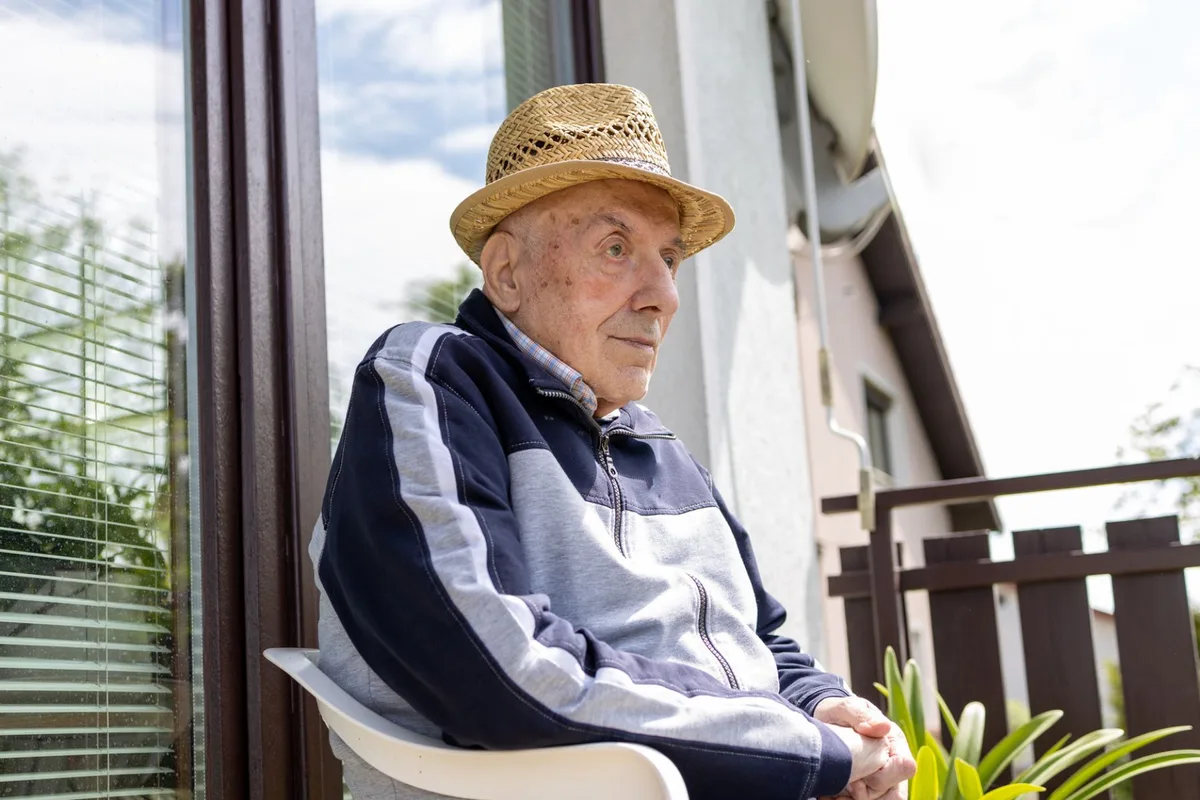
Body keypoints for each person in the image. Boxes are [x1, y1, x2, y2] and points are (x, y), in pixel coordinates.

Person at [311, 83, 915, 800]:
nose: (664, 293)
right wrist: (805, 751)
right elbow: (498, 665)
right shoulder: (435, 379)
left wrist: (821, 704)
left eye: (669, 256)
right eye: (617, 247)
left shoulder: (657, 445)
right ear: (506, 272)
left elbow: (757, 636)